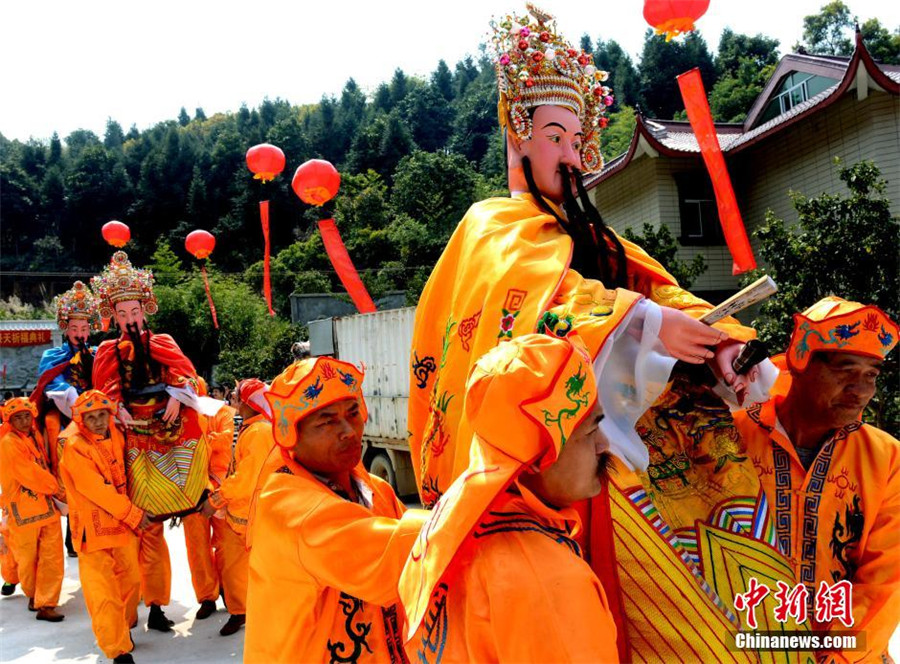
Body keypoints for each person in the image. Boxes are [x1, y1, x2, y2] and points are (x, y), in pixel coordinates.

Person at [408, 7, 795, 663]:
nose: (570, 155)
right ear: (517, 134)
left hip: (663, 445)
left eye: (576, 140)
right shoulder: (492, 228)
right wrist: (644, 325)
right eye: (554, 136)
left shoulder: (589, 236)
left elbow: (657, 290)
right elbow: (538, 313)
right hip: (579, 464)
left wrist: (722, 343)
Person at [401, 333, 619, 663]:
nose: (604, 445)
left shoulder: (450, 520)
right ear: (534, 457)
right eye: (590, 430)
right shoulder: (550, 582)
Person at [734, 297, 900, 664]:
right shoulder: (729, 437)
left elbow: (885, 582)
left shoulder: (888, 458)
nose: (861, 390)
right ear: (801, 361)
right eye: (846, 370)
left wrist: (838, 658)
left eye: (871, 375)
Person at [244, 357, 428, 663]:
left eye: (353, 413)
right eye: (326, 421)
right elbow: (399, 557)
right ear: (292, 435)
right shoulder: (289, 508)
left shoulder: (375, 490)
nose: (348, 431)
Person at [91, 250, 211, 632]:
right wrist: (115, 408)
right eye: (122, 313)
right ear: (113, 316)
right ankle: (155, 604)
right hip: (137, 440)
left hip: (174, 434)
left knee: (197, 514)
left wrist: (178, 396)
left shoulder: (163, 341)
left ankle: (210, 593)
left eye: (134, 311)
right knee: (149, 527)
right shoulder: (108, 351)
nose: (130, 319)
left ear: (145, 309)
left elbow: (188, 376)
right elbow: (103, 392)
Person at [60, 389, 152, 664]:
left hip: (121, 526)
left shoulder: (115, 435)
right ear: (80, 419)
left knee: (132, 582)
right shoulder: (75, 446)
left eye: (103, 415)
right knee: (103, 594)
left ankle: (122, 630)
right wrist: (133, 514)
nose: (99, 421)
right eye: (91, 417)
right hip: (92, 532)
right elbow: (95, 489)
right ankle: (117, 650)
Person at [194, 378, 274, 636]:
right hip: (241, 510)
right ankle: (241, 609)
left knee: (237, 566)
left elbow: (245, 478)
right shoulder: (253, 428)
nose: (233, 400)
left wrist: (216, 500)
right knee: (235, 565)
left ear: (249, 403)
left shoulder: (258, 432)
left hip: (247, 513)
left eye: (238, 396)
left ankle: (243, 612)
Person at [32, 280, 102, 558]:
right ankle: (73, 534)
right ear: (65, 328)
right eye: (74, 328)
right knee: (52, 430)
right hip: (66, 416)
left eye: (84, 328)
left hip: (96, 415)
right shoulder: (53, 355)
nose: (79, 333)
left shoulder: (97, 354)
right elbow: (51, 383)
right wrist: (74, 398)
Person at [0, 397, 64, 621]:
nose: (24, 421)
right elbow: (27, 472)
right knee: (27, 559)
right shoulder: (8, 442)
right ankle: (32, 593)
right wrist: (56, 488)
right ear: (10, 421)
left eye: (27, 415)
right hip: (23, 510)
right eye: (18, 417)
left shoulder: (35, 435)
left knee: (52, 557)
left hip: (47, 507)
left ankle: (45, 603)